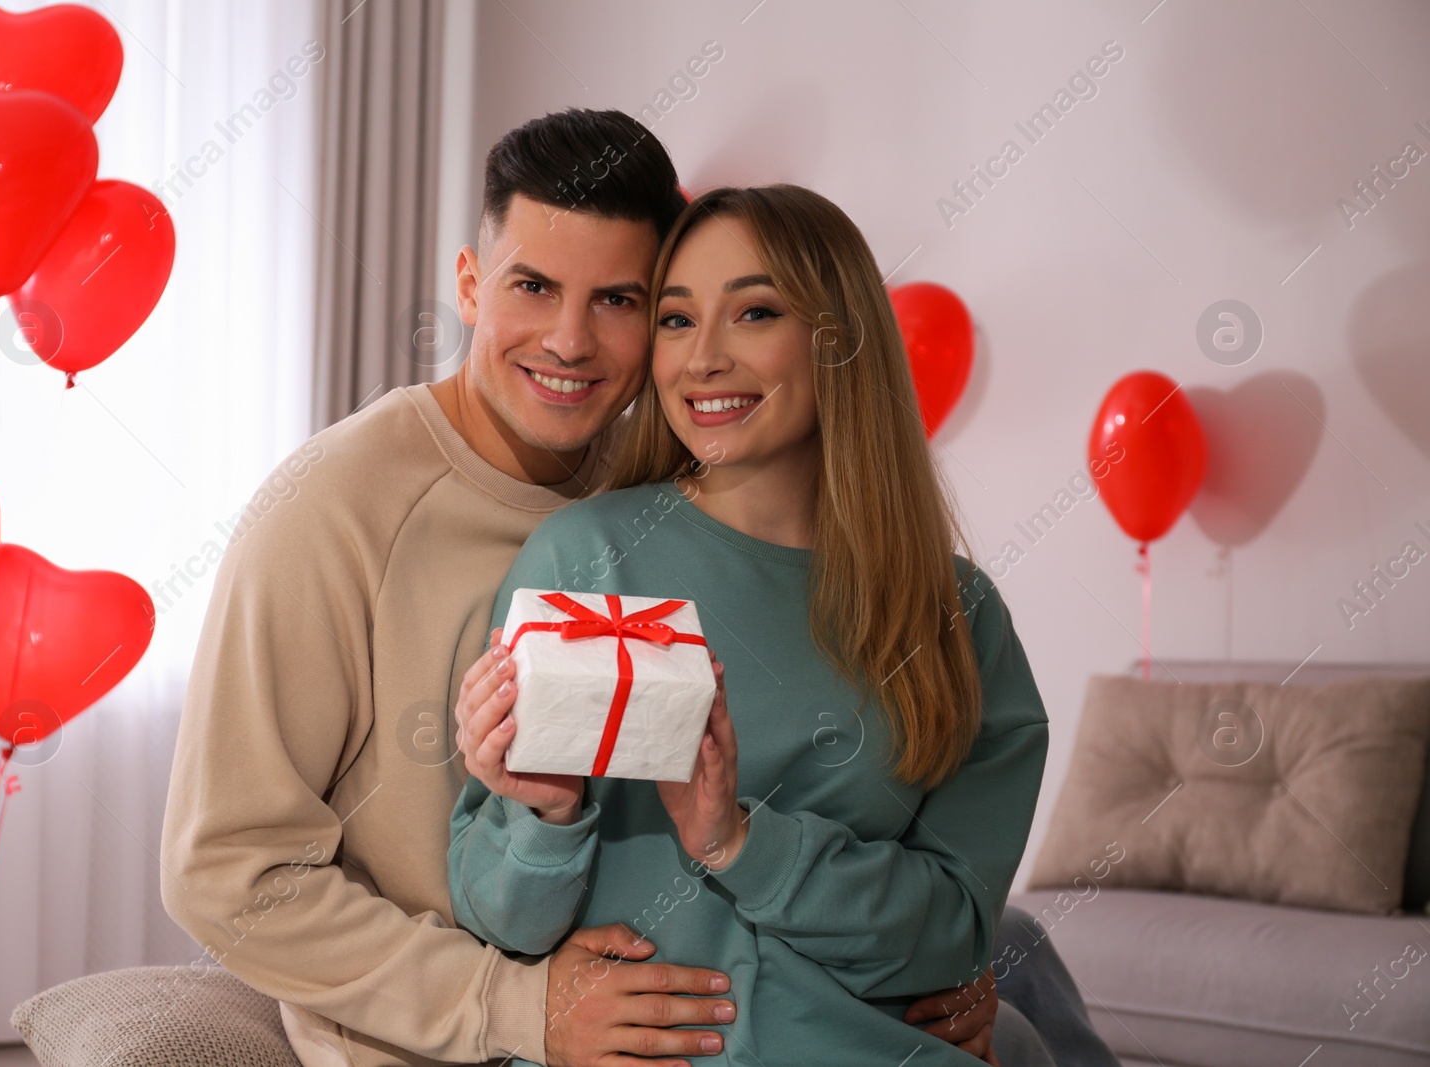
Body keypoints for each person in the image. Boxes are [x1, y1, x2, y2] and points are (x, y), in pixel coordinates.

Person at [162, 106, 1105, 1067]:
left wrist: (948, 963)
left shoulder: (660, 472)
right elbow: (226, 875)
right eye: (532, 285)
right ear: (470, 285)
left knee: (1025, 984)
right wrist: (518, 1003)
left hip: (772, 986)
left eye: (619, 300)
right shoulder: (339, 508)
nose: (570, 343)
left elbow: (938, 894)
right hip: (470, 1024)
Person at [446, 184, 1048, 1067]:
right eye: (678, 321)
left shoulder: (958, 614)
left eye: (755, 312)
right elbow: (503, 919)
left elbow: (954, 933)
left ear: (839, 340)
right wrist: (545, 808)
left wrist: (738, 841)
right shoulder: (588, 557)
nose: (703, 359)